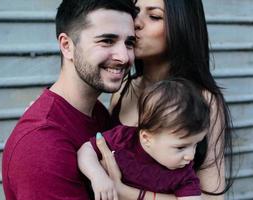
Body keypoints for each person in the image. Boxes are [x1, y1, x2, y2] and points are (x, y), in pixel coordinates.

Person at [96, 0, 234, 199]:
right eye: (135, 12)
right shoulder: (123, 91)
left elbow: (212, 198)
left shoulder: (203, 100)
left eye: (154, 16)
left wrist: (126, 192)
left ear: (182, 26)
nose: (136, 23)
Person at [1, 0, 137, 199]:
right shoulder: (41, 144)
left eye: (129, 43)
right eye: (107, 41)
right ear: (67, 46)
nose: (124, 57)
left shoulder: (96, 112)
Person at [78, 79, 211, 200]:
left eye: (196, 145)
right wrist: (97, 176)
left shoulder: (184, 173)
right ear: (146, 138)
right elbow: (85, 150)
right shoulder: (124, 139)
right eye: (181, 147)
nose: (190, 156)